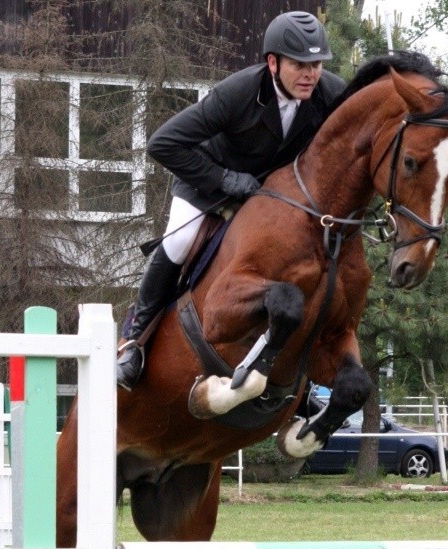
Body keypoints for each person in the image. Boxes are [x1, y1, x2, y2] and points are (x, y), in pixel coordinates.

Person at [117, 10, 345, 391]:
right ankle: (135, 341)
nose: (310, 74)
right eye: (299, 65)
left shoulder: (328, 93)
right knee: (178, 242)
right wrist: (224, 179)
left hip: (267, 198)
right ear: (273, 62)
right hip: (209, 183)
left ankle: (296, 370)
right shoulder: (239, 92)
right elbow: (163, 143)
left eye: (317, 64)